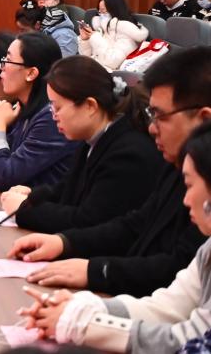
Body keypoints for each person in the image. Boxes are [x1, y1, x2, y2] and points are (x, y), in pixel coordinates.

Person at [8, 46, 211, 297]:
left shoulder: (135, 152)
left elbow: (176, 269)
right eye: (152, 114)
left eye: (160, 116)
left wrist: (94, 271)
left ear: (203, 119)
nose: (152, 128)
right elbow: (136, 224)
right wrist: (65, 243)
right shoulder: (176, 163)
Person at [19, 120, 211, 353]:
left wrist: (84, 325)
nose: (186, 200)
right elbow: (167, 307)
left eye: (190, 185)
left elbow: (191, 341)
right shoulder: (207, 249)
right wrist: (85, 307)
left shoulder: (130, 152)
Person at [1, 55, 162, 233]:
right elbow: (65, 189)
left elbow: (89, 220)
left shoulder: (128, 153)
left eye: (57, 107)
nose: (53, 116)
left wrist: (24, 211)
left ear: (90, 106)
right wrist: (33, 196)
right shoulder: (93, 139)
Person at [0, 32, 77, 192]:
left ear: (31, 73)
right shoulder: (25, 108)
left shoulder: (51, 117)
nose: (1, 70)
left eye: (7, 61)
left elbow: (3, 178)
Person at [77, 0, 148, 71]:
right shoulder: (102, 29)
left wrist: (96, 38)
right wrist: (86, 40)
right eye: (99, 12)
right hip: (95, 70)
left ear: (114, 11)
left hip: (112, 74)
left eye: (104, 12)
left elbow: (112, 62)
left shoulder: (126, 31)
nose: (101, 16)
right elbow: (87, 58)